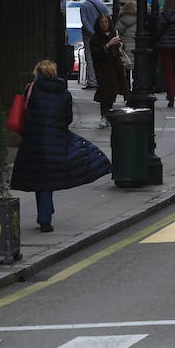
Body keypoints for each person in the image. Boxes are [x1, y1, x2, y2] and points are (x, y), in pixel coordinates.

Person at [11, 60, 110, 233]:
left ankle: (45, 215)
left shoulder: (31, 89)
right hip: (56, 139)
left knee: (40, 179)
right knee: (47, 179)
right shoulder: (64, 94)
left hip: (33, 140)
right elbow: (68, 119)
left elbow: (25, 114)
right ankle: (45, 216)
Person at [89, 13, 129, 127]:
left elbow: (119, 48)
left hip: (115, 67)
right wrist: (108, 45)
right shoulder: (96, 38)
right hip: (103, 69)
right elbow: (96, 52)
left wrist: (119, 45)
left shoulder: (113, 33)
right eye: (102, 22)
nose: (104, 24)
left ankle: (108, 114)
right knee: (105, 92)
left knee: (112, 92)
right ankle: (104, 115)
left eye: (106, 22)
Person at [79, 0, 110, 89]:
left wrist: (91, 32)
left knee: (90, 57)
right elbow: (107, 19)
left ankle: (92, 81)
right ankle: (102, 79)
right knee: (102, 56)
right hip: (101, 34)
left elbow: (84, 20)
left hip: (89, 35)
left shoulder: (84, 5)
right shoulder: (102, 5)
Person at [115, 0, 139, 89]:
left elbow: (116, 33)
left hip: (125, 47)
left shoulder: (121, 20)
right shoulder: (139, 20)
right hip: (136, 47)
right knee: (136, 69)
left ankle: (126, 88)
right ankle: (136, 87)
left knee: (126, 69)